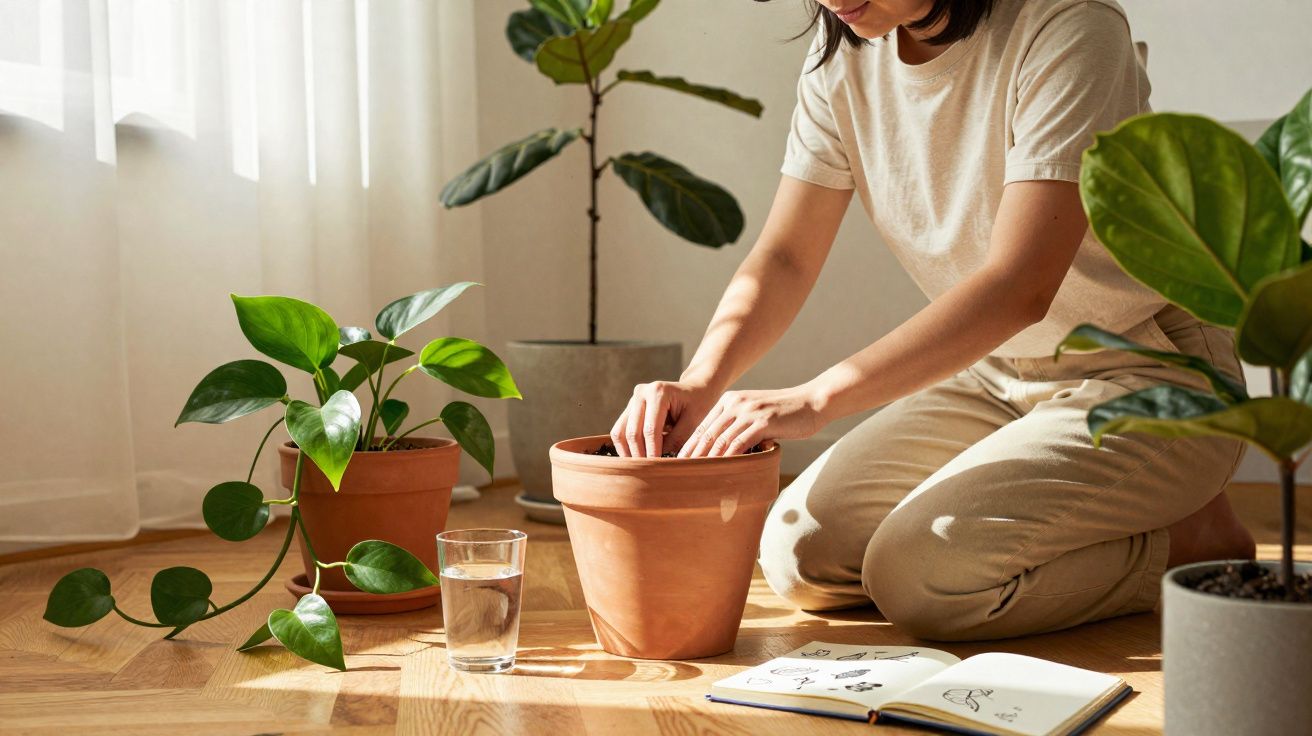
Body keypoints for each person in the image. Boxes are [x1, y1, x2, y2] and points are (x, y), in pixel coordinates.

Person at [608, 0, 1256, 641]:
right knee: (800, 555)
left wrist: (816, 399)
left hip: (1150, 373)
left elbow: (1019, 287)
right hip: (995, 375)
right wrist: (701, 380)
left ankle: (1186, 541)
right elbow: (786, 257)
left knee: (919, 579)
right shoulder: (845, 50)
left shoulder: (1070, 26)